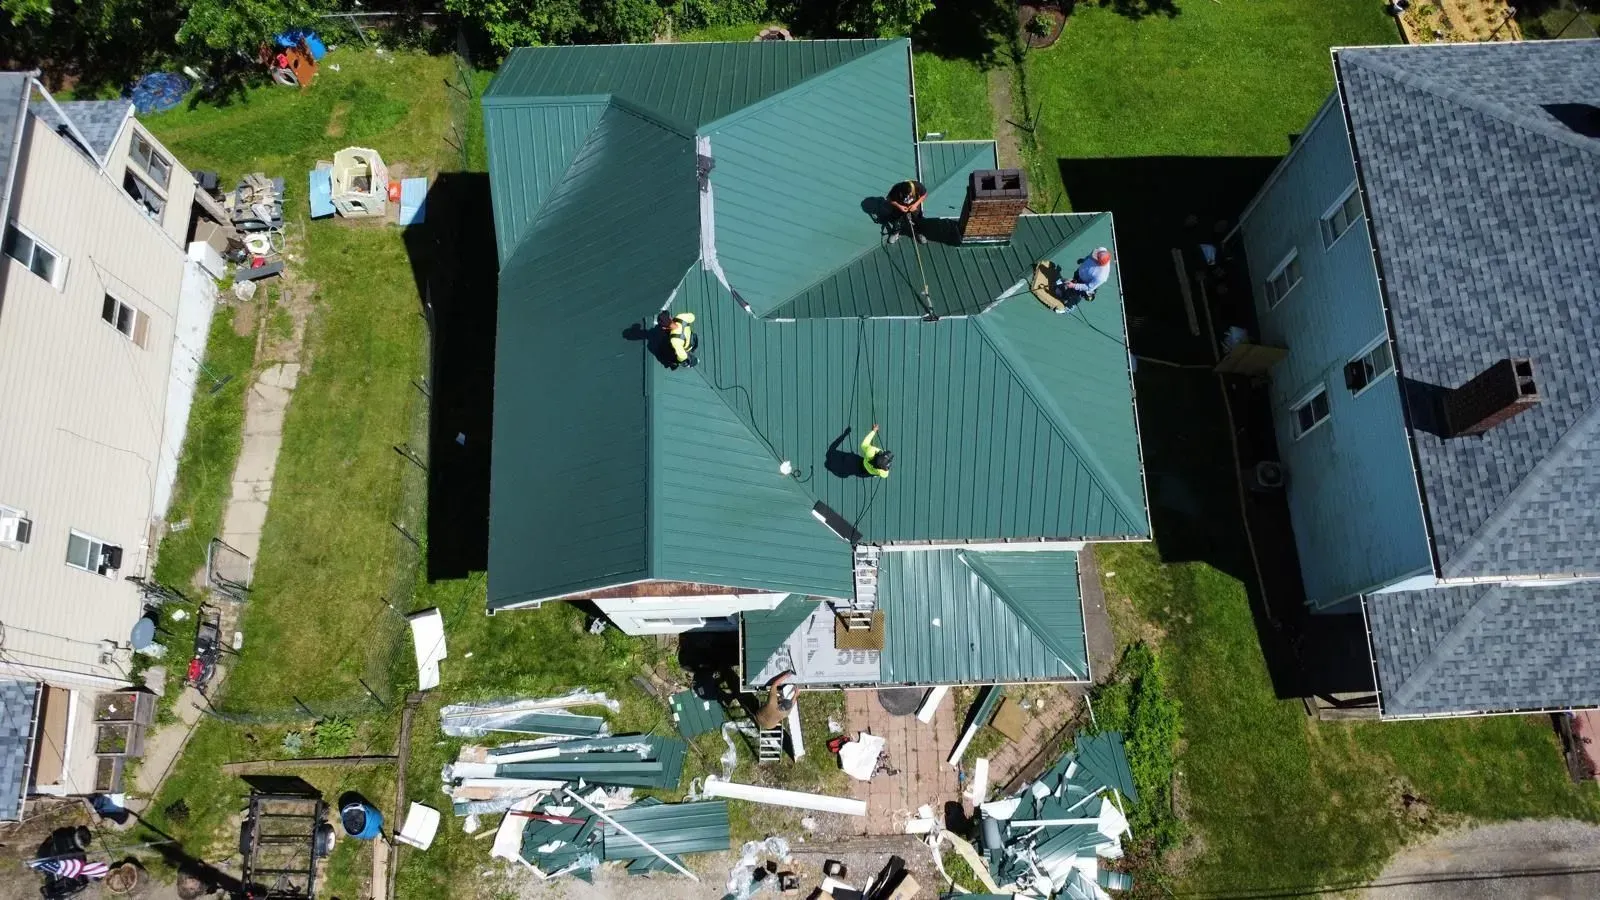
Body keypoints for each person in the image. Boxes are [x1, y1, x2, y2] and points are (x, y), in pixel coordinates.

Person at [1053, 247, 1112, 312]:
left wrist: (1074, 285)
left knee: (1075, 294)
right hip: (1079, 274)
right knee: (1071, 285)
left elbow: (1088, 287)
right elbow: (1091, 255)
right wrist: (1084, 260)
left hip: (1084, 284)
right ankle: (1064, 295)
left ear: (1099, 262)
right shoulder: (1101, 250)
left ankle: (1069, 307)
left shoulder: (1102, 276)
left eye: (1096, 256)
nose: (1095, 255)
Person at [884, 180, 928, 245]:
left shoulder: (917, 185)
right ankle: (895, 233)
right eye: (906, 194)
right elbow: (889, 199)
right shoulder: (896, 189)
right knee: (897, 220)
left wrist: (915, 205)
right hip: (900, 208)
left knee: (917, 219)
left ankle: (918, 233)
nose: (909, 195)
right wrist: (899, 206)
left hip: (914, 206)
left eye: (910, 193)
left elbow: (924, 195)